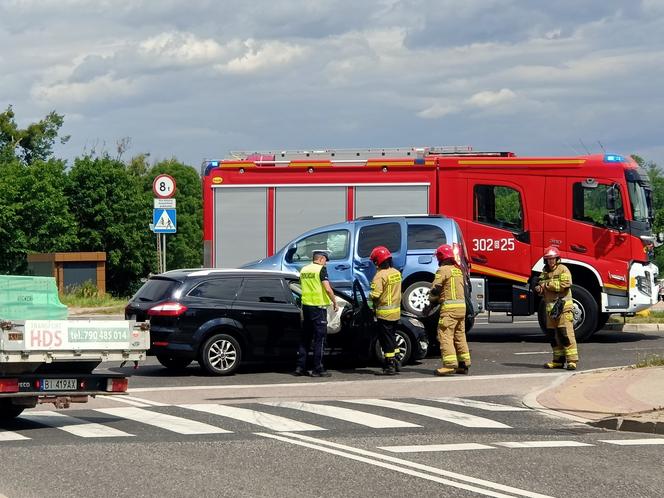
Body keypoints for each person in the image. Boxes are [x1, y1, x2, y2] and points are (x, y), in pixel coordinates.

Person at [427, 244, 471, 376]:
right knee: (459, 335)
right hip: (461, 308)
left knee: (445, 335)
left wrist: (430, 301)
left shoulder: (443, 270)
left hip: (449, 310)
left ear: (441, 257)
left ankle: (449, 365)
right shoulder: (457, 270)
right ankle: (463, 364)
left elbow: (436, 289)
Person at [294, 249, 338, 377]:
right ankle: (318, 369)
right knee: (320, 339)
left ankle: (300, 367)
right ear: (321, 259)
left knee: (305, 338)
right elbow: (328, 289)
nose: (326, 264)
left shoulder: (304, 270)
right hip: (318, 308)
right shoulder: (320, 270)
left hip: (306, 307)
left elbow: (303, 287)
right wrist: (334, 302)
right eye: (325, 261)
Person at [535, 246, 579, 370]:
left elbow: (566, 285)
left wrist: (548, 285)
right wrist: (539, 289)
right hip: (550, 310)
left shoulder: (563, 269)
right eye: (548, 259)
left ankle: (572, 361)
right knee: (553, 337)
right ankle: (558, 361)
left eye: (553, 259)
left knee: (566, 334)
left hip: (563, 308)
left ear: (557, 259)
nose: (551, 261)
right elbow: (541, 286)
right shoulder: (544, 272)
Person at [369, 246, 402, 376]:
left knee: (386, 341)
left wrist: (370, 302)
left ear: (377, 261)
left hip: (384, 313)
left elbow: (375, 295)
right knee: (392, 338)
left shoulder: (379, 276)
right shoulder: (396, 273)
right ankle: (397, 361)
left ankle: (390, 366)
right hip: (396, 312)